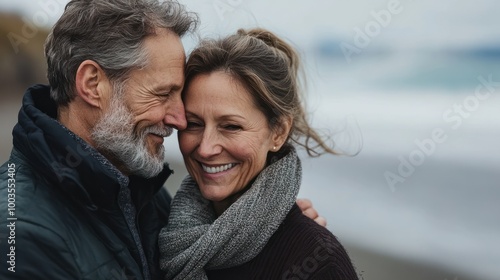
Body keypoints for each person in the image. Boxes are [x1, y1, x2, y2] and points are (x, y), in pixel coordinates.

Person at [0, 1, 324, 279]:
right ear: (93, 84)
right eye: (163, 93)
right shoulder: (22, 234)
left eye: (179, 95)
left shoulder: (140, 193)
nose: (179, 119)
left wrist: (264, 226)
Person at [159, 28, 359, 279]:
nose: (206, 148)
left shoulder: (316, 260)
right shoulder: (159, 229)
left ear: (278, 133)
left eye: (231, 126)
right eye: (194, 123)